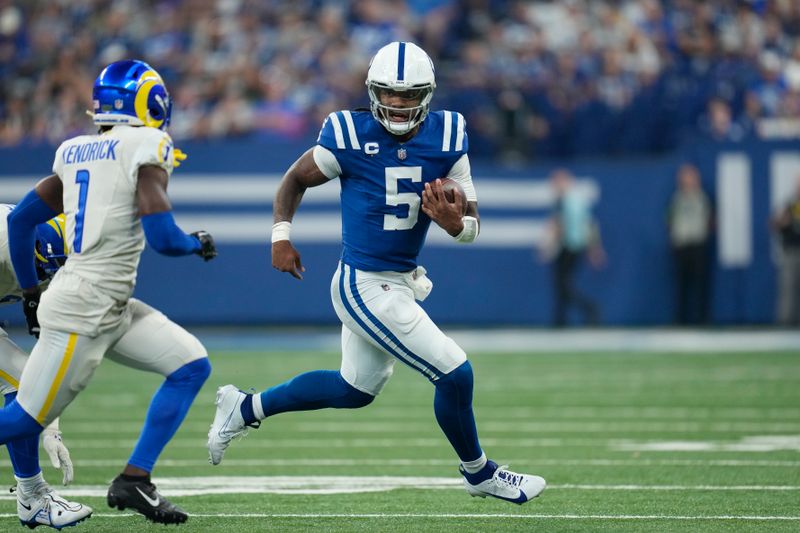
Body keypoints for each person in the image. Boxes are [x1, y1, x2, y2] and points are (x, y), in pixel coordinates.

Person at [208, 41, 546, 504]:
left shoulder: (448, 135)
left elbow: (472, 223)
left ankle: (244, 408)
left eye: (410, 95)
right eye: (390, 94)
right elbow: (294, 178)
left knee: (354, 390)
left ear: (427, 95)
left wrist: (457, 226)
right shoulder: (348, 132)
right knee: (454, 373)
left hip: (399, 281)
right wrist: (280, 236)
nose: (399, 104)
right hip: (364, 283)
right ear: (373, 92)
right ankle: (478, 472)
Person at [0, 59, 217, 525]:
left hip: (105, 304)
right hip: (86, 308)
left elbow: (20, 221)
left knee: (190, 365)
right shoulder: (148, 143)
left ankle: (135, 480)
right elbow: (162, 236)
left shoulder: (78, 150)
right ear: (152, 102)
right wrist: (194, 244)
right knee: (21, 421)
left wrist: (32, 291)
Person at [1, 206, 91, 529]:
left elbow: (50, 355)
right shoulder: (4, 238)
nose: (44, 278)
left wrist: (51, 428)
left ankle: (32, 497)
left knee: (24, 379)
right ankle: (33, 496)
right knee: (22, 378)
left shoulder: (62, 270)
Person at [545, 168, 605, 327]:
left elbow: (564, 224)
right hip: (570, 245)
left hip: (571, 245)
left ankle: (589, 308)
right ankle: (560, 319)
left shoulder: (569, 200)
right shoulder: (572, 199)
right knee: (561, 284)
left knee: (563, 284)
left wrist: (594, 248)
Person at [667, 163, 712, 325]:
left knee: (700, 284)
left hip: (698, 244)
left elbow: (708, 220)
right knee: (681, 285)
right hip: (681, 245)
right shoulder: (677, 198)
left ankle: (702, 318)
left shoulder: (701, 197)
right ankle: (680, 319)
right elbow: (671, 220)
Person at [771, 175, 800, 325]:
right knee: (788, 289)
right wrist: (783, 221)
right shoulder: (789, 204)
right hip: (791, 250)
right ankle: (785, 324)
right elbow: (774, 224)